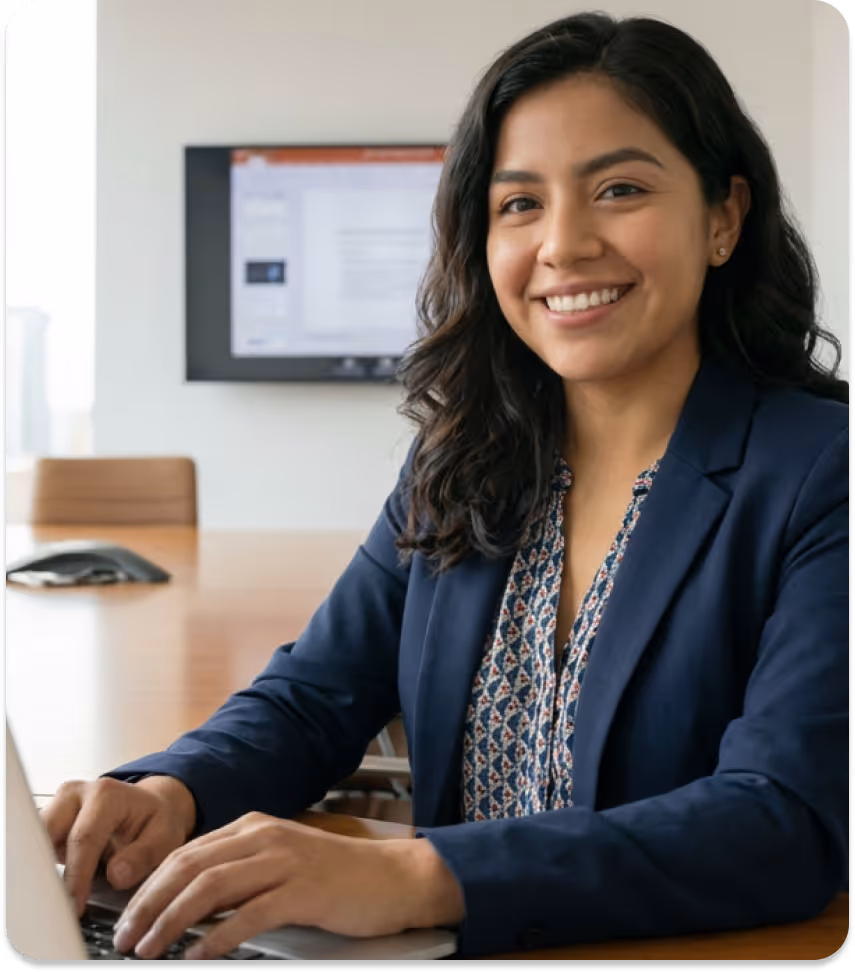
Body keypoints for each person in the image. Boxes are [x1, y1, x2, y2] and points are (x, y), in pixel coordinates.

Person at [43, 11, 848, 960]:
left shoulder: (818, 470)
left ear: (722, 218)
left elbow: (783, 819)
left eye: (619, 189)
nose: (564, 244)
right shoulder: (464, 458)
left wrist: (421, 875)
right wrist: (168, 791)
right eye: (519, 205)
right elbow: (315, 695)